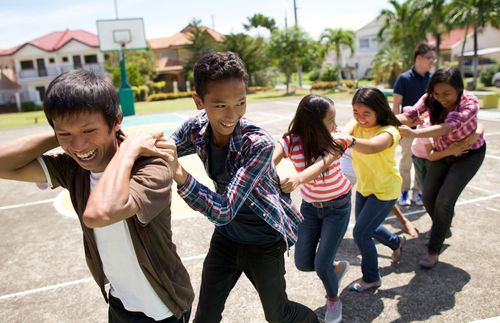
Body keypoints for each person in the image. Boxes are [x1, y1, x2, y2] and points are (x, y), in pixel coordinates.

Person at [0, 70, 194, 322]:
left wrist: (128, 151)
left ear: (116, 121)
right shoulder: (74, 168)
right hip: (120, 301)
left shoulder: (150, 166)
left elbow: (100, 213)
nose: (79, 147)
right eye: (66, 134)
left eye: (89, 130)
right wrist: (62, 131)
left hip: (163, 306)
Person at [159, 52, 319, 323]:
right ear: (199, 102)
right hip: (227, 239)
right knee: (205, 318)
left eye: (241, 103)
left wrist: (179, 174)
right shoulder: (197, 128)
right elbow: (164, 148)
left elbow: (224, 209)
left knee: (279, 316)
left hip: (264, 241)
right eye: (221, 105)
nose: (232, 114)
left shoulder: (257, 144)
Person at [273, 94, 353, 323]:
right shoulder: (291, 141)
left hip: (338, 207)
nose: (336, 125)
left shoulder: (336, 139)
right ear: (314, 122)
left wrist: (297, 179)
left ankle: (333, 299)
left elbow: (322, 164)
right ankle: (336, 268)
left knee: (321, 264)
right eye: (331, 119)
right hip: (310, 208)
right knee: (303, 263)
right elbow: (271, 158)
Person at [398, 67, 486, 269]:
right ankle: (443, 225)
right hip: (441, 153)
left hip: (468, 155)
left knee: (444, 201)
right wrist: (383, 122)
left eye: (447, 93)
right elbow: (411, 115)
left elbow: (448, 127)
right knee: (429, 197)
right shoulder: (430, 98)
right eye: (437, 93)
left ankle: (433, 251)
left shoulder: (470, 103)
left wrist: (414, 134)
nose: (441, 98)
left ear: (459, 89)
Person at [344, 87, 406, 292]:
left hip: (385, 190)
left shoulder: (389, 131)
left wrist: (347, 140)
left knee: (361, 233)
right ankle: (396, 241)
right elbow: (344, 131)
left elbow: (371, 146)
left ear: (379, 110)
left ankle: (371, 278)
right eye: (356, 112)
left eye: (366, 114)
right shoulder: (357, 123)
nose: (360, 118)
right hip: (365, 186)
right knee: (368, 227)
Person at [393, 43, 436, 206]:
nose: (433, 60)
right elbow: (396, 105)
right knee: (406, 162)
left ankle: (418, 191)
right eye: (429, 57)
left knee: (423, 163)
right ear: (419, 58)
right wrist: (397, 127)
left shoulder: (433, 79)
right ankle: (403, 192)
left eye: (434, 57)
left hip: (428, 130)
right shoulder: (404, 78)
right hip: (408, 129)